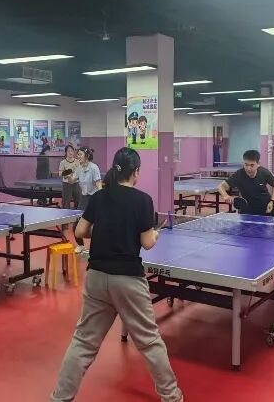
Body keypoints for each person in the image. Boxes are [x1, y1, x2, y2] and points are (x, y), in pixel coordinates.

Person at [50, 147, 183, 402]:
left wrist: (104, 228)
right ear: (136, 172)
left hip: (97, 277)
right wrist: (155, 233)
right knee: (149, 342)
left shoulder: (100, 197)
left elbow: (80, 231)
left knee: (83, 343)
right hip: (128, 279)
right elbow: (147, 243)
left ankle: (59, 398)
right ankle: (172, 397)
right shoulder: (143, 200)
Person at [217, 149, 274, 216]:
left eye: (252, 165)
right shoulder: (239, 175)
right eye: (246, 164)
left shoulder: (264, 173)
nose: (248, 168)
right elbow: (220, 187)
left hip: (267, 207)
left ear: (258, 164)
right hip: (248, 209)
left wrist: (272, 200)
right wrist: (226, 196)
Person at [68, 147, 103, 253]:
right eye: (77, 154)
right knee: (76, 224)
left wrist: (102, 199)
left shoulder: (94, 168)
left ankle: (97, 248)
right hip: (84, 199)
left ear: (87, 156)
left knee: (97, 226)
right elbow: (71, 181)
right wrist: (69, 175)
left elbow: (99, 185)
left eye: (80, 154)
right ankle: (81, 245)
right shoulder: (79, 168)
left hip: (94, 198)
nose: (78, 156)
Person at [59, 145, 80, 210]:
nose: (70, 152)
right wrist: (67, 174)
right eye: (68, 151)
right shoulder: (63, 162)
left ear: (74, 152)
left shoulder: (78, 161)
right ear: (66, 152)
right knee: (66, 202)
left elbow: (80, 173)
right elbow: (60, 174)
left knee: (78, 200)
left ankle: (78, 214)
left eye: (71, 151)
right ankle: (65, 214)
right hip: (66, 184)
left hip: (76, 183)